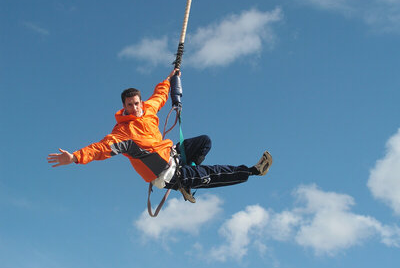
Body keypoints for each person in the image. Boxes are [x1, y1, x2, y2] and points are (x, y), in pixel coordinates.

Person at [47, 69, 273, 203]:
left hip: (174, 155)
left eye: (137, 103)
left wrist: (172, 76)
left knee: (204, 141)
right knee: (214, 174)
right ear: (123, 107)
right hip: (168, 174)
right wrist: (75, 157)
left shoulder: (148, 109)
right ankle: (253, 171)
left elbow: (160, 95)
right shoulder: (122, 133)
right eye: (130, 105)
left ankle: (190, 173)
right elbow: (100, 148)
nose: (135, 108)